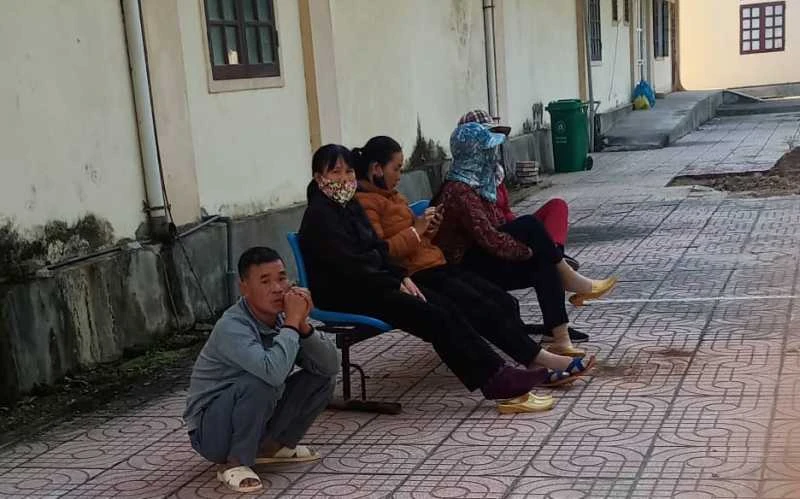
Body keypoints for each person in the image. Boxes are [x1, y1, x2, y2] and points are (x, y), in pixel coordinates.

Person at [298, 144, 579, 405]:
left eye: (348, 171)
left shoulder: (348, 206)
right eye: (335, 172)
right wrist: (394, 279)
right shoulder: (320, 216)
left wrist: (400, 276)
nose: (344, 178)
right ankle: (495, 378)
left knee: (445, 307)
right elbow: (350, 266)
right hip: (347, 292)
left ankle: (501, 372)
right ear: (319, 177)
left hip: (373, 283)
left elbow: (377, 251)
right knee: (433, 315)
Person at [351, 135, 594, 379]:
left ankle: (537, 351)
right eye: (396, 168)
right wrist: (417, 230)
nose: (400, 175)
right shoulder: (368, 204)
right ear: (376, 169)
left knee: (502, 300)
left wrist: (428, 228)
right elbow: (382, 252)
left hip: (436, 264)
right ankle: (538, 360)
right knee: (482, 306)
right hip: (419, 274)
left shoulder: (396, 196)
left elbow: (492, 224)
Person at [433, 123, 618, 357]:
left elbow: (499, 223)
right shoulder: (458, 190)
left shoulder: (477, 184)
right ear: (472, 153)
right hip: (462, 268)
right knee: (532, 229)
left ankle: (560, 338)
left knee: (544, 263)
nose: (491, 156)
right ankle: (570, 278)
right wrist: (529, 251)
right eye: (486, 151)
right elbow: (491, 239)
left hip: (481, 259)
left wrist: (536, 251)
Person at [183, 247, 339, 493]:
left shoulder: (281, 319)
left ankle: (273, 447)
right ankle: (235, 462)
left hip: (252, 413)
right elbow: (272, 373)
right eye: (265, 281)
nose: (277, 288)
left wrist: (302, 325)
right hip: (211, 432)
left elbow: (330, 365)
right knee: (262, 381)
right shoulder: (232, 326)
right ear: (244, 288)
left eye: (282, 278)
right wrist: (291, 323)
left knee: (322, 376)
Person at [457, 109, 580, 271]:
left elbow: (506, 211)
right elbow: (483, 231)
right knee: (530, 226)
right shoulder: (463, 182)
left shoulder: (495, 173)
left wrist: (522, 227)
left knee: (557, 206)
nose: (493, 145)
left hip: (509, 228)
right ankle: (556, 263)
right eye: (487, 139)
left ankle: (555, 256)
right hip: (493, 238)